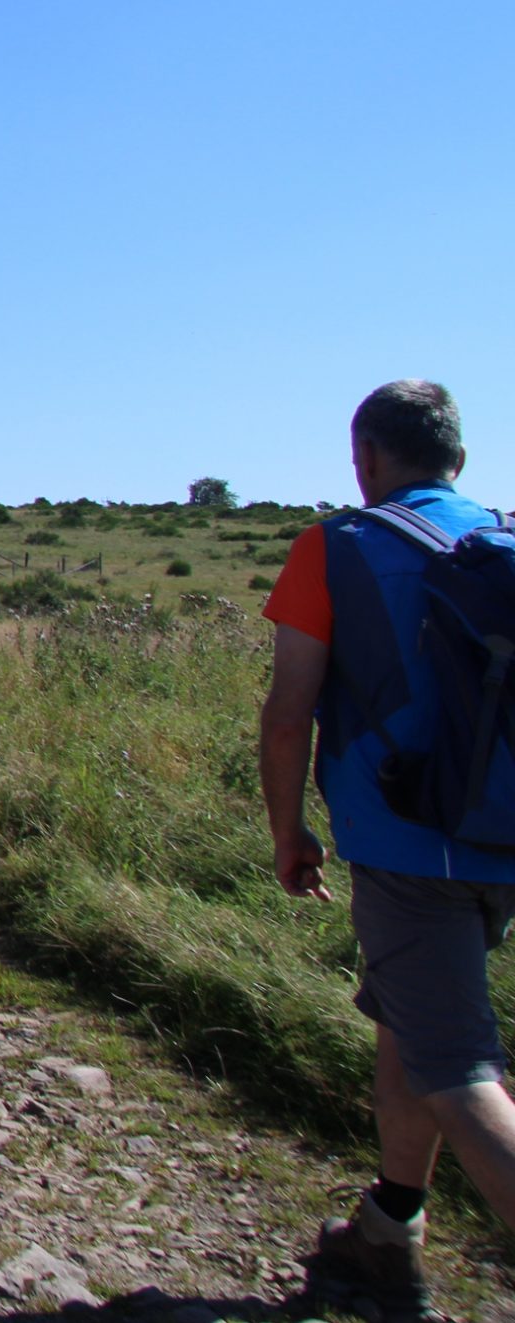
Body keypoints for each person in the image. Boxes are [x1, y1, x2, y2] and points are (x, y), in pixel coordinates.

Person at [260, 379, 514, 1319]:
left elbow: (289, 713)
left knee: (457, 1066)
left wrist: (290, 832)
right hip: (503, 836)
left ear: (365, 456)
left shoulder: (336, 546)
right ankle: (389, 1227)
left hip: (411, 844)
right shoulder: (505, 537)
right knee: (409, 1020)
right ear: (459, 459)